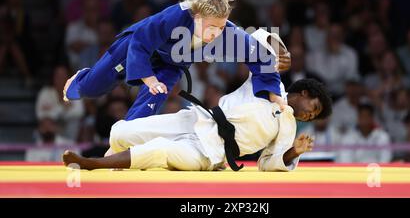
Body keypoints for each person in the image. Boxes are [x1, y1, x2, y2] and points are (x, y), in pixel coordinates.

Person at [63, 0, 285, 120]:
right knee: (92, 88)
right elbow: (141, 40)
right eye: (210, 27)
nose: (215, 33)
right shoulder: (176, 15)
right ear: (197, 17)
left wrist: (274, 93)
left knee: (154, 97)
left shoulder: (228, 32)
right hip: (137, 46)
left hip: (171, 63)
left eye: (220, 27)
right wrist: (148, 78)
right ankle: (82, 78)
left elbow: (262, 58)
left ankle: (123, 146)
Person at [62, 78, 332, 171]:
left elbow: (268, 163)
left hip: (211, 153)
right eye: (314, 108)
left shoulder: (288, 128)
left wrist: (294, 151)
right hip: (197, 120)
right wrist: (278, 52)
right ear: (305, 94)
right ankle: (112, 162)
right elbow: (260, 48)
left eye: (315, 116)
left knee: (158, 150)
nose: (310, 115)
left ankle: (92, 163)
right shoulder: (269, 83)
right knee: (121, 131)